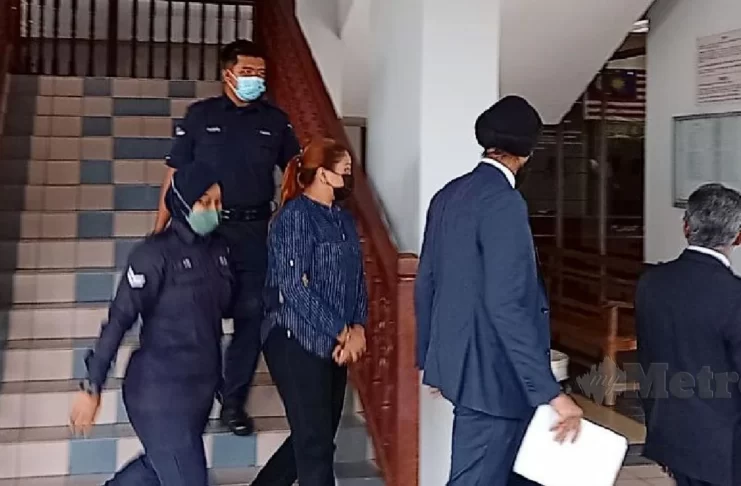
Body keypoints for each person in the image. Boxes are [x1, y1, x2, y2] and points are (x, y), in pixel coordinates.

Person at [415, 95, 583, 485]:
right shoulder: (504, 203)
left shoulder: (449, 194)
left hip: (464, 367)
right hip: (495, 378)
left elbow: (427, 282)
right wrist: (550, 392)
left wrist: (433, 360)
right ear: (528, 151)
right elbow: (505, 304)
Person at [153, 39, 301, 436]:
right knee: (201, 317)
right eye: (247, 72)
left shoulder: (275, 120)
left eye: (261, 74)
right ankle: (198, 395)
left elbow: (295, 173)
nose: (256, 79)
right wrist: (159, 229)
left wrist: (288, 217)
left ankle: (233, 401)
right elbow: (175, 175)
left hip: (255, 233)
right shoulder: (200, 116)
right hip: (205, 231)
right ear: (227, 74)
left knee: (252, 317)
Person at [69, 163, 232, 485]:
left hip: (199, 391)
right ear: (183, 203)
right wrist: (92, 385)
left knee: (159, 468)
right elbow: (119, 320)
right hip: (159, 392)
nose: (213, 210)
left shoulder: (220, 251)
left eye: (217, 202)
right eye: (204, 202)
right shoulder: (153, 254)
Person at [250, 137, 368, 486]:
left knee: (316, 438)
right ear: (323, 174)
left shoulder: (343, 220)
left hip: (333, 342)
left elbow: (357, 279)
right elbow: (293, 287)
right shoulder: (294, 218)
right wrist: (341, 331)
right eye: (344, 169)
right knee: (314, 445)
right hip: (294, 339)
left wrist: (358, 328)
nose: (348, 176)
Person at [635, 183, 741, 486]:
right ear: (738, 236)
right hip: (727, 449)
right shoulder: (734, 295)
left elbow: (648, 363)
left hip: (671, 435)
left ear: (686, 228)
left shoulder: (652, 283)